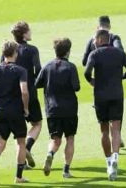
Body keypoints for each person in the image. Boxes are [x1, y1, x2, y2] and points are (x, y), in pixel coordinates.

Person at [84, 29, 126, 181]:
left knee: (104, 130)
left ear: (100, 39)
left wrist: (92, 81)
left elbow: (87, 73)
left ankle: (108, 162)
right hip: (117, 95)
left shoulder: (94, 54)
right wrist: (121, 78)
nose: (93, 42)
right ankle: (115, 157)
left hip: (100, 96)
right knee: (116, 128)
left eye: (94, 39)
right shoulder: (119, 53)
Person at [0, 41, 30, 185]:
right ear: (15, 53)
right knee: (21, 143)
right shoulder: (20, 70)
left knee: (0, 143)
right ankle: (18, 176)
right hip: (16, 112)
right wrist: (26, 108)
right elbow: (24, 91)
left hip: (0, 112)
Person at [35, 38, 80, 179]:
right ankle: (66, 170)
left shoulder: (48, 66)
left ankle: (50, 154)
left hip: (52, 109)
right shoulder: (71, 67)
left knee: (55, 139)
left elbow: (37, 84)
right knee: (70, 138)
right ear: (68, 51)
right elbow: (76, 87)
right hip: (69, 109)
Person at [5, 22, 42, 169]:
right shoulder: (32, 50)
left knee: (19, 129)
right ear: (24, 34)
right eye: (29, 31)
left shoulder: (9, 49)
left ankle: (22, 163)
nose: (31, 33)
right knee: (37, 123)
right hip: (29, 91)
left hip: (12, 95)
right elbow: (38, 70)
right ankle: (27, 147)